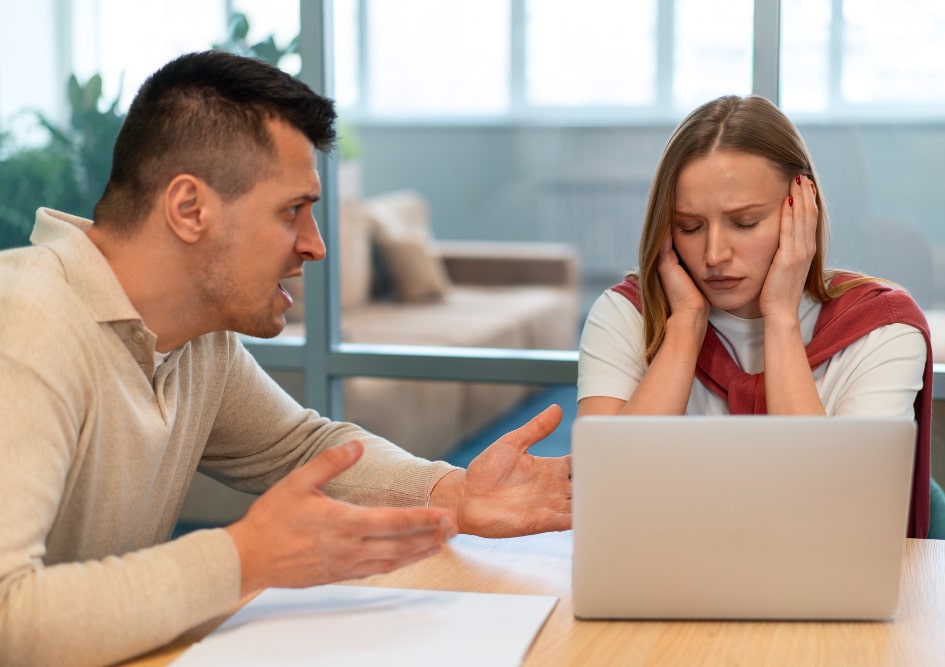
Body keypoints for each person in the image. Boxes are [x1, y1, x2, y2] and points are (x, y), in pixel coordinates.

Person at [0, 51, 571, 667]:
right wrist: (244, 558)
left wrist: (452, 491)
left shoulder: (196, 339)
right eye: (292, 211)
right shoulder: (26, 325)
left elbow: (300, 449)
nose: (316, 245)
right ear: (189, 209)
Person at [577, 94, 931, 538]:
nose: (714, 255)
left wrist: (780, 318)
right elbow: (605, 494)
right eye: (689, 227)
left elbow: (838, 522)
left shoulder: (883, 330)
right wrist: (685, 324)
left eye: (744, 223)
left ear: (801, 209)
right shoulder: (623, 316)